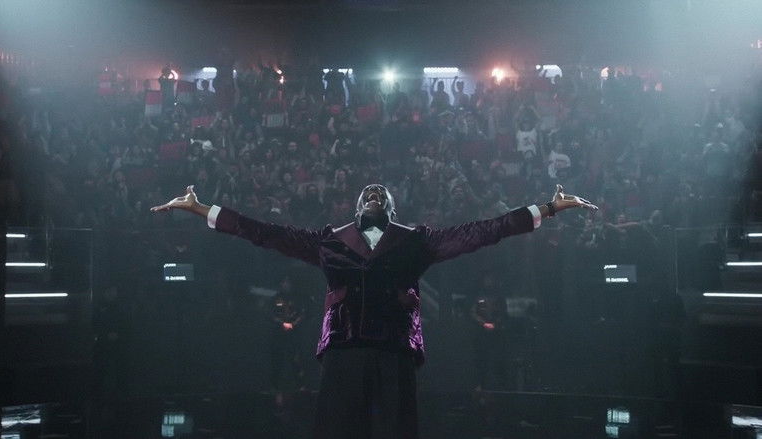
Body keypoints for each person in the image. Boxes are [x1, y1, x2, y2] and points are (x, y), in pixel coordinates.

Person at [151, 183, 598, 438]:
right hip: (344, 347)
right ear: (357, 206)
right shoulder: (329, 241)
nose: (374, 193)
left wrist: (548, 208)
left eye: (381, 193)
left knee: (395, 429)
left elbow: (484, 231)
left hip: (393, 348)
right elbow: (262, 232)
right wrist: (200, 208)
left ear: (392, 207)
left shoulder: (417, 241)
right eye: (367, 192)